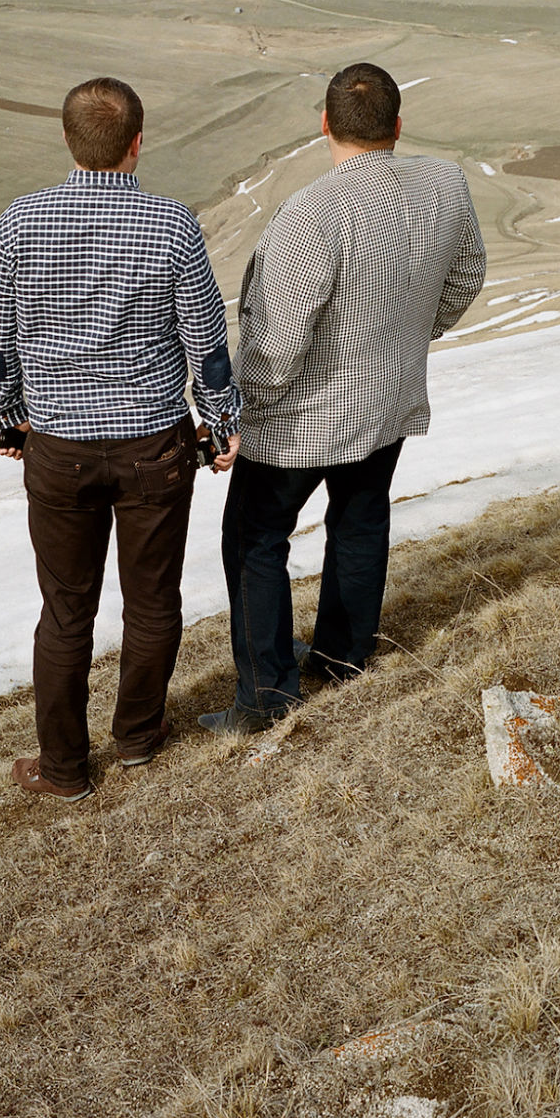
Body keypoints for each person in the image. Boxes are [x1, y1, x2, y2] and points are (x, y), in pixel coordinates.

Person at [202, 62, 486, 735]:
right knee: (359, 524)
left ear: (325, 123)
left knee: (255, 540)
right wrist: (414, 332)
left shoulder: (313, 211)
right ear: (396, 125)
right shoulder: (445, 184)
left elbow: (277, 340)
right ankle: (342, 659)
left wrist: (244, 407)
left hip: (298, 422)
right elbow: (468, 272)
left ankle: (266, 697)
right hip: (386, 400)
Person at [0, 76, 240, 800]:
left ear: (69, 140)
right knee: (152, 602)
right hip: (154, 446)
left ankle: (63, 769)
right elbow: (207, 346)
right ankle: (138, 738)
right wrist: (220, 426)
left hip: (57, 448)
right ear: (137, 143)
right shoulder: (173, 225)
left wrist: (9, 418)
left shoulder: (20, 222)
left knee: (65, 612)